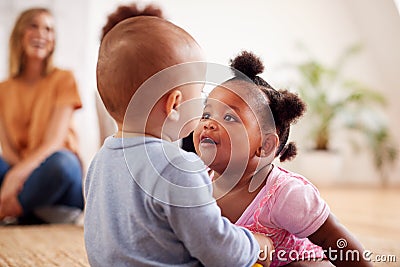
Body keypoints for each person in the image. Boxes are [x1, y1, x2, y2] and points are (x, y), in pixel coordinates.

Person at [84, 8, 273, 267]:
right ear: (174, 104)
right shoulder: (178, 166)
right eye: (201, 91)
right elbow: (219, 251)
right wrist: (256, 245)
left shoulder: (99, 162)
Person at [193, 51, 372, 266]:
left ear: (265, 145)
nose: (209, 124)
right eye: (206, 114)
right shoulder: (193, 180)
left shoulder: (286, 194)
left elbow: (333, 238)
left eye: (229, 117)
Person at [0, 8, 84, 224]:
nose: (42, 34)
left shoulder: (64, 79)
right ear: (19, 34)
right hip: (24, 171)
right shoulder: (3, 89)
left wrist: (16, 176)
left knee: (63, 164)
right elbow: (7, 148)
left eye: (49, 29)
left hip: (56, 173)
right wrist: (18, 172)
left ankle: (10, 210)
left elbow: (54, 143)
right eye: (34, 26)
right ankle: (28, 212)